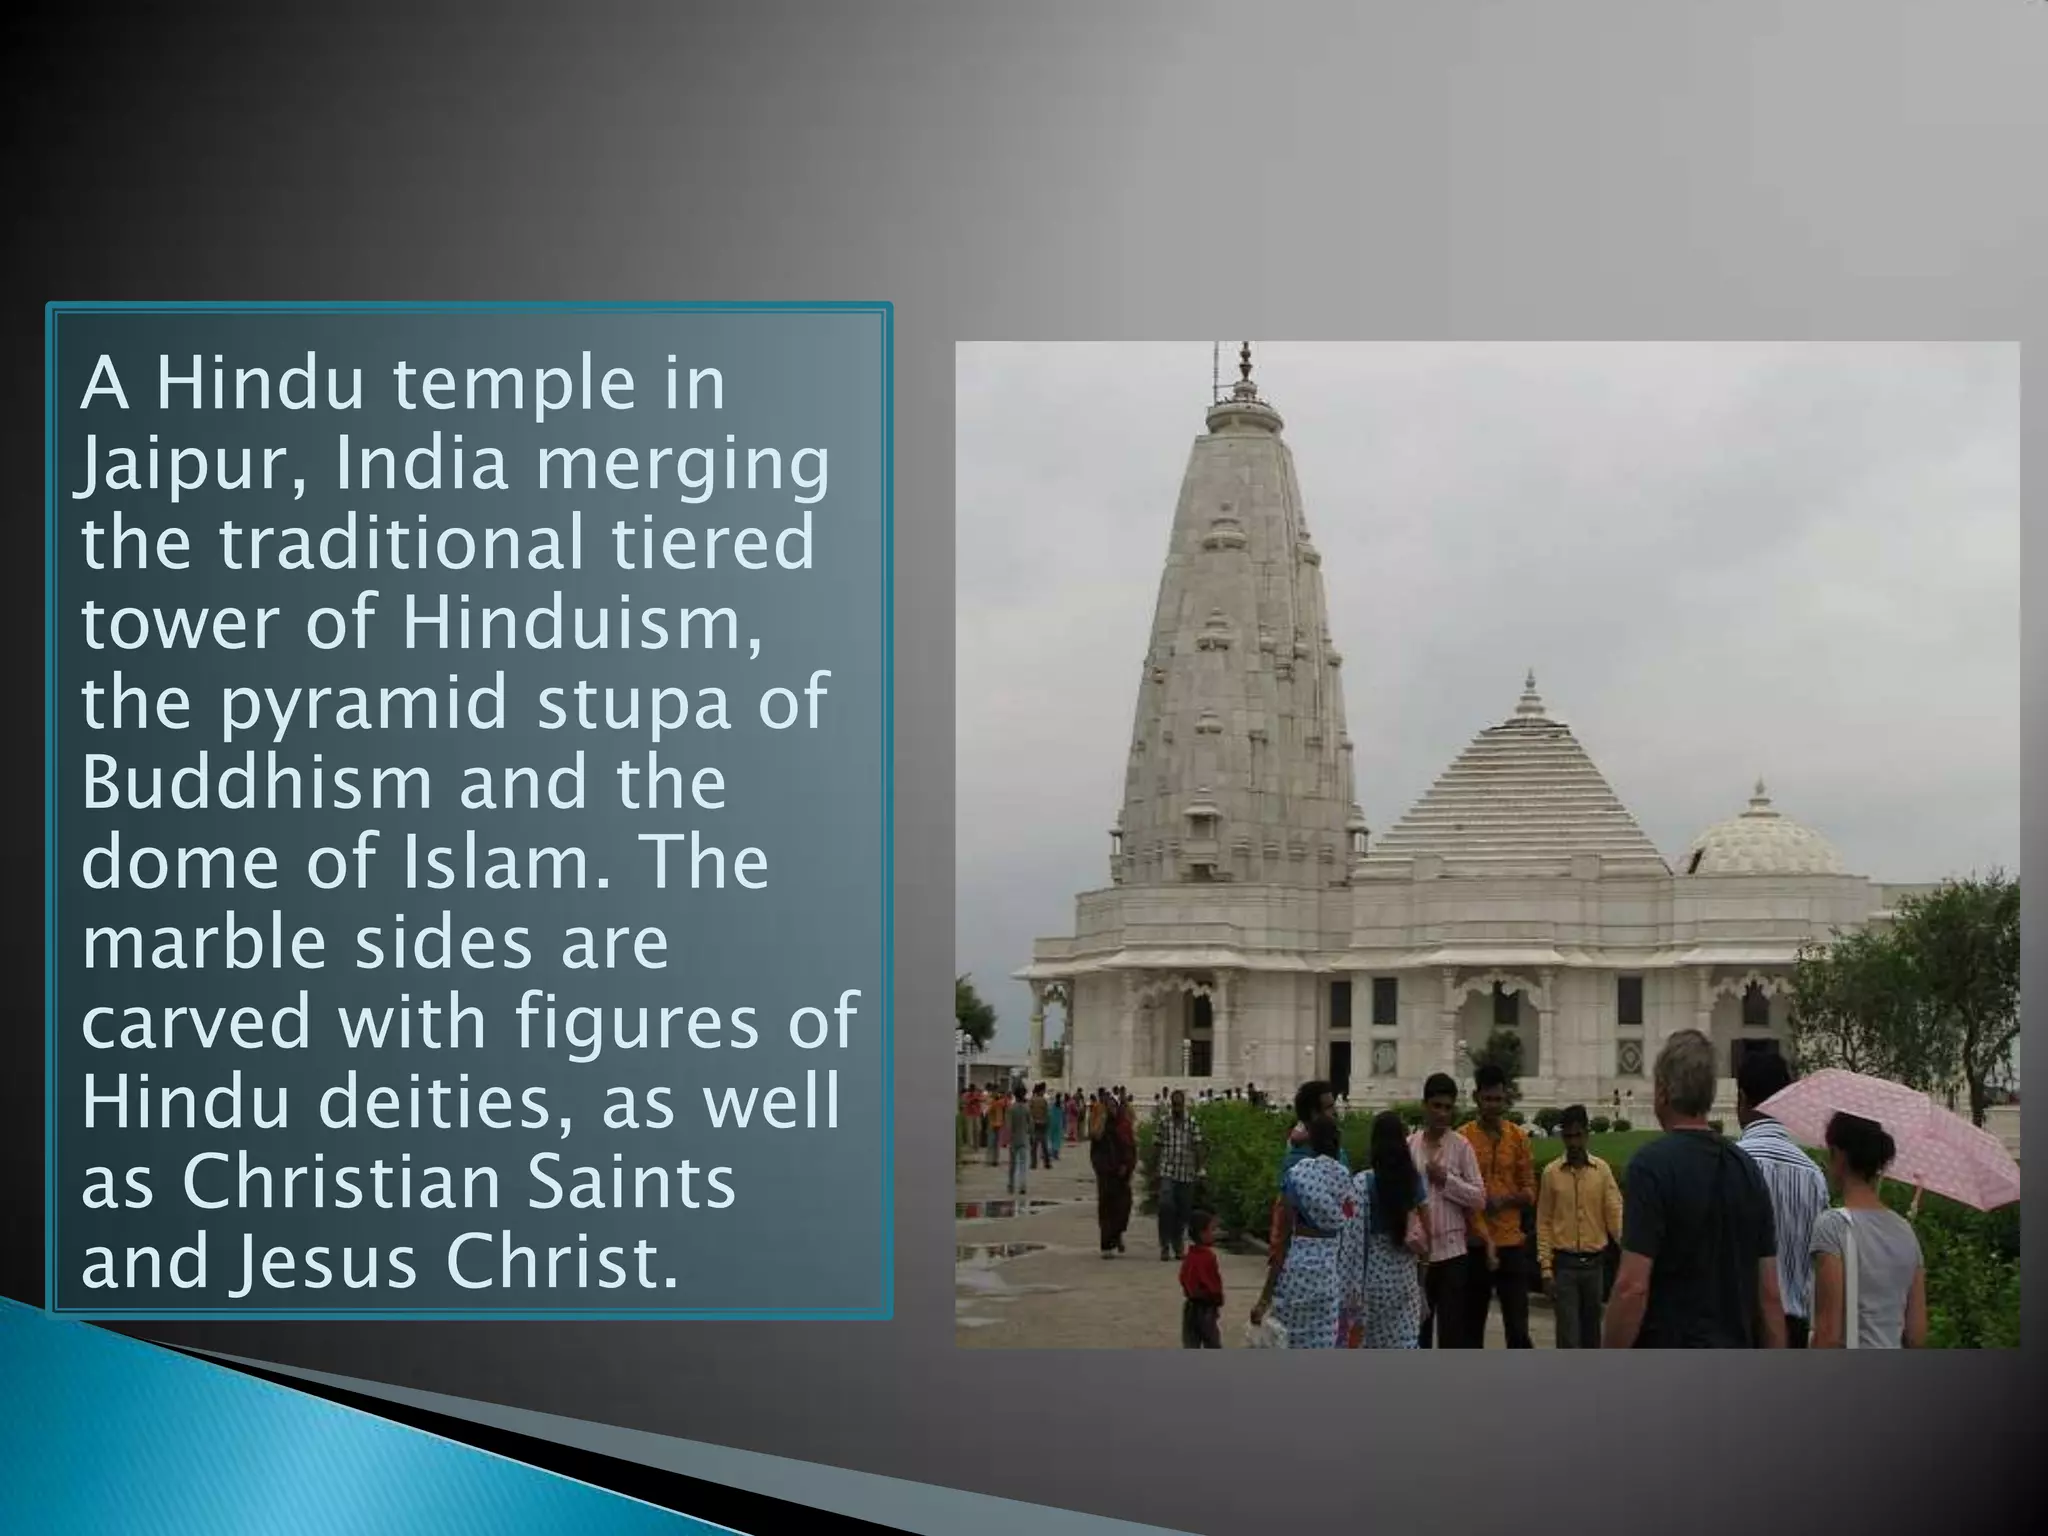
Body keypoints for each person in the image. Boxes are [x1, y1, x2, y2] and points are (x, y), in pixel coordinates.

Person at [1603, 1030, 1785, 1348]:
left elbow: (1632, 1286)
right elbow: (1769, 1294)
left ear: (1662, 1091)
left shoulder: (1651, 1166)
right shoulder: (1746, 1169)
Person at [1735, 1050, 1831, 1348]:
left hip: (1741, 1321)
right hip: (1794, 1326)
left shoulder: (1733, 1164)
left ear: (1742, 1098)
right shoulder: (1813, 1175)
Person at [1810, 1112, 1927, 1349]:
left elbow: (1829, 1334)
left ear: (1838, 1155)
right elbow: (1916, 1334)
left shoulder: (1833, 1226)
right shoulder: (1906, 1233)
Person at [1250, 1114, 1355, 1349]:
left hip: (1294, 1274)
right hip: (1327, 1279)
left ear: (1311, 1142)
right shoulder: (1345, 1180)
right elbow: (1348, 1231)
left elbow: (1282, 1242)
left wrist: (1264, 1299)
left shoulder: (1298, 1175)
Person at [1460, 1063, 1536, 1348]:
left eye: (1498, 1099)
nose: (1493, 1105)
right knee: (1471, 1329)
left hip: (1510, 1242)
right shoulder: (1463, 1138)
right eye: (1488, 1099)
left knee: (1517, 1330)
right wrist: (1478, 1200)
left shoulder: (1518, 1137)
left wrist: (1504, 1199)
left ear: (1506, 1099)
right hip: (1475, 1243)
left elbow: (1530, 1191)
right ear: (1477, 1098)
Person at [1537, 1105, 1624, 1348]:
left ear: (1587, 1134)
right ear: (1562, 1136)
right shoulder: (1551, 1173)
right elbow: (1543, 1222)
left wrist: (1629, 1253)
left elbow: (1615, 1215)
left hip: (1594, 1266)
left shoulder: (1602, 1171)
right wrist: (1546, 1268)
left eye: (1578, 1135)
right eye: (1568, 1136)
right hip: (1565, 1266)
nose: (1573, 1143)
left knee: (1592, 1337)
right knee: (1568, 1338)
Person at [1408, 1074, 1486, 1347]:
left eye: (1448, 1107)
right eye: (1437, 1106)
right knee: (1419, 1333)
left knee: (1452, 1334)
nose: (1442, 1113)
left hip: (1453, 1254)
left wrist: (1447, 1181)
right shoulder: (1411, 1146)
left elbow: (1479, 1198)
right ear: (1424, 1105)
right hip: (1418, 1257)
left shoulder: (1461, 1146)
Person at [1343, 1110, 1428, 1348]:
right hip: (1405, 1279)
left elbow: (1352, 1241)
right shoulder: (1413, 1180)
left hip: (1373, 1281)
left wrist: (1349, 1290)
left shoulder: (1363, 1183)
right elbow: (1427, 1233)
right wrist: (1422, 1282)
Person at [1153, 1088, 1206, 1261]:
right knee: (1166, 1206)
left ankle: (1177, 1243)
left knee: (1183, 1211)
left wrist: (1201, 1168)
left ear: (1183, 1105)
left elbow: (1198, 1145)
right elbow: (1157, 1145)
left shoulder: (1191, 1123)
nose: (1176, 1108)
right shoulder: (1164, 1122)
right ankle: (1164, 1245)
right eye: (1174, 1105)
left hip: (1186, 1173)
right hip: (1167, 1170)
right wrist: (1156, 1169)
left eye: (1179, 1105)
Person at [1090, 1092, 1137, 1257]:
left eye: (1114, 1106)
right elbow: (1095, 1152)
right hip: (1106, 1175)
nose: (1112, 1110)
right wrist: (1102, 1169)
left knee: (1124, 1207)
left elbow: (1131, 1149)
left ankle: (1117, 1235)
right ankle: (1106, 1245)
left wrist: (1127, 1166)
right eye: (1109, 1107)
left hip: (1122, 1175)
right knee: (1106, 1209)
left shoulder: (1123, 1126)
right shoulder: (1101, 1129)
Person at [1179, 1209, 1225, 1348]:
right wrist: (1218, 1299)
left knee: (1191, 1343)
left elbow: (1183, 1277)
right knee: (1212, 1343)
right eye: (1211, 1230)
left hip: (1190, 1306)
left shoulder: (1190, 1256)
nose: (1214, 1234)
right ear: (1202, 1233)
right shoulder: (1208, 1257)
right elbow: (1213, 1283)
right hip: (1206, 1307)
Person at [1028, 1083, 1051, 1169]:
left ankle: (1033, 1164)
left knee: (1034, 1146)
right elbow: (1046, 1113)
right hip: (1043, 1124)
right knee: (1044, 1145)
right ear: (1041, 1091)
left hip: (1034, 1124)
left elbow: (1029, 1113)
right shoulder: (1044, 1101)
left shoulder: (1032, 1100)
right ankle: (1047, 1163)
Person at [1045, 1087, 1065, 1164]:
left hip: (1051, 1122)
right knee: (1057, 1139)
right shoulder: (1061, 1104)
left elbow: (1048, 1112)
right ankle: (1055, 1154)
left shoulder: (1051, 1103)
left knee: (1050, 1138)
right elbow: (1063, 1113)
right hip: (1058, 1122)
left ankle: (1050, 1152)